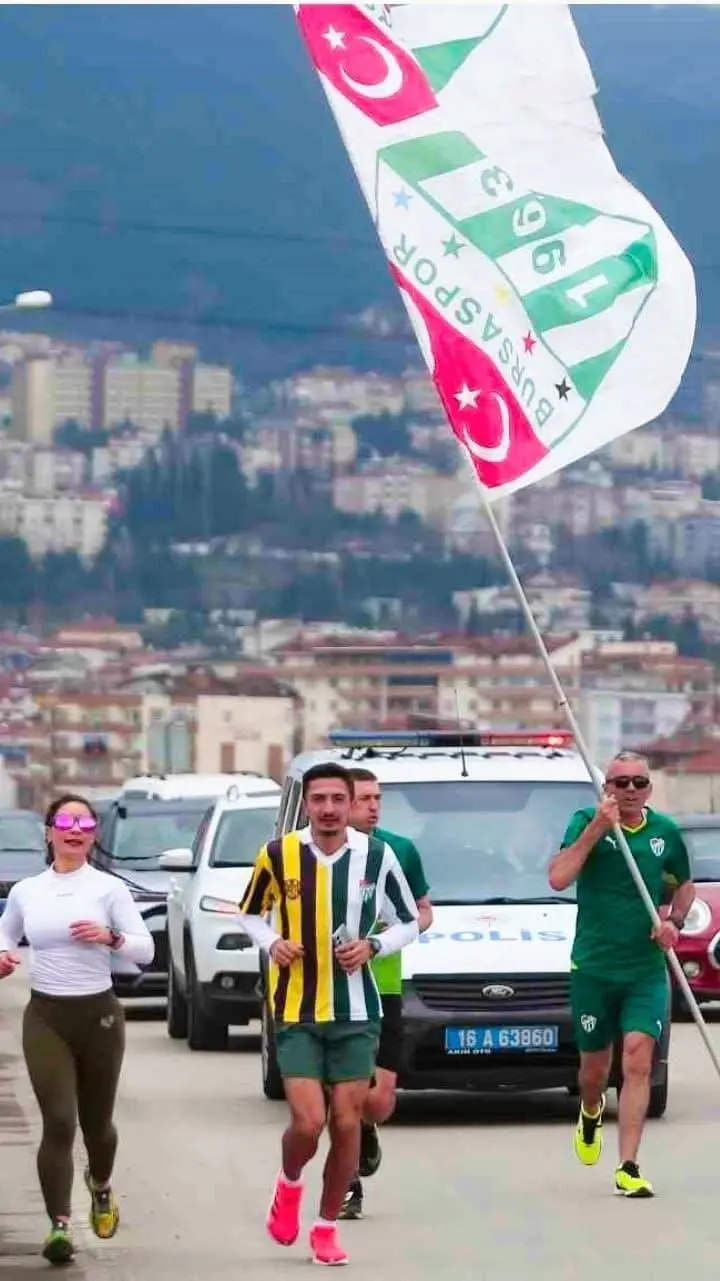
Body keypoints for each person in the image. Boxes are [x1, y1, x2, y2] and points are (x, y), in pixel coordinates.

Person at [237, 762, 419, 1267]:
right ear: (307, 804)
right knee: (308, 1121)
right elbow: (250, 911)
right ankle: (289, 1183)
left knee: (346, 1123)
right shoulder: (279, 854)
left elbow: (410, 920)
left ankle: (325, 1226)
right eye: (319, 799)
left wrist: (374, 945)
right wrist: (273, 942)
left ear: (350, 802)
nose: (329, 809)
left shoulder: (377, 856)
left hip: (357, 1010)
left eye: (339, 799)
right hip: (296, 1007)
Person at [0, 793, 154, 1265]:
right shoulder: (29, 890)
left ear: (93, 834)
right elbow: (6, 932)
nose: (75, 829)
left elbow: (145, 951)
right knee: (60, 1121)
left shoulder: (109, 890)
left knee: (97, 1126)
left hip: (100, 1017)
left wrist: (111, 937)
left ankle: (101, 1184)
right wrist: (4, 955)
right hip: (47, 1016)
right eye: (65, 821)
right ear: (49, 832)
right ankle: (59, 1225)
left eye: (84, 822)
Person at [548, 751, 695, 1198]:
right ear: (606, 786)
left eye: (638, 783)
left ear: (649, 788)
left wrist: (674, 922)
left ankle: (628, 1165)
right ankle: (590, 1111)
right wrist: (597, 828)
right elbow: (558, 878)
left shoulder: (664, 832)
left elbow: (683, 886)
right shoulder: (583, 821)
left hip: (644, 969)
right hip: (593, 966)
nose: (629, 790)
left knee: (637, 1058)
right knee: (595, 1069)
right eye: (620, 782)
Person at [339, 766, 432, 1221]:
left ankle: (368, 1127)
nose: (373, 806)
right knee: (346, 1093)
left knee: (379, 1099)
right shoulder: (314, 852)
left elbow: (422, 912)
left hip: (385, 984)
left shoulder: (399, 850)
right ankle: (348, 1183)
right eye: (364, 799)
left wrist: (391, 932)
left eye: (378, 798)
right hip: (335, 988)